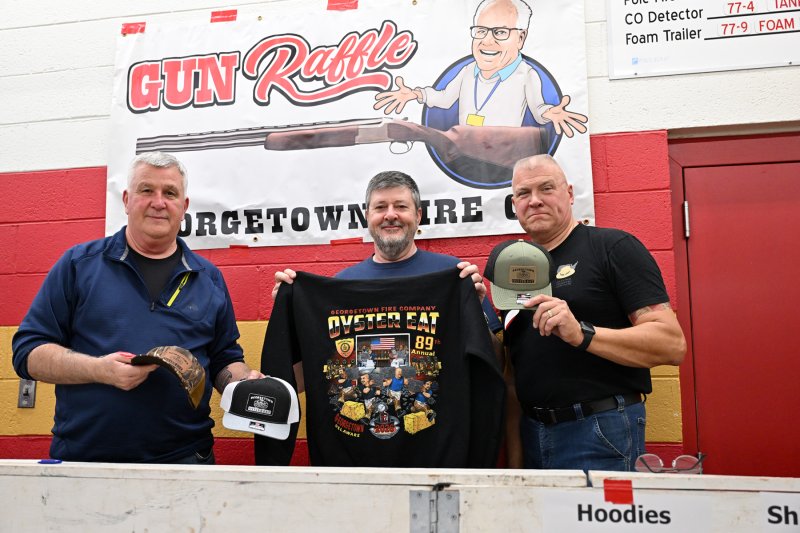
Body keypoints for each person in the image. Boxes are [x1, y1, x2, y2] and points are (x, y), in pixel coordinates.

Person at [11, 151, 261, 464]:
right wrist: (100, 370)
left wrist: (241, 382)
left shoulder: (208, 278)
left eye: (170, 193)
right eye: (147, 190)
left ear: (183, 207)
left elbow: (225, 359)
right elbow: (27, 353)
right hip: (86, 462)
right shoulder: (79, 265)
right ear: (127, 199)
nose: (159, 202)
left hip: (185, 462)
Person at [501, 154, 686, 471]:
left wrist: (582, 333)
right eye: (523, 194)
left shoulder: (613, 247)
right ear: (513, 205)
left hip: (600, 430)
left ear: (570, 194)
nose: (534, 201)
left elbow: (672, 344)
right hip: (533, 432)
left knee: (601, 523)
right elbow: (514, 375)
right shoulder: (515, 269)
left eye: (547, 188)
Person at [271, 170, 503, 389]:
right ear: (367, 216)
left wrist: (476, 313)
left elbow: (496, 361)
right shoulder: (342, 286)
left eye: (401, 206)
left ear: (418, 215)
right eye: (380, 207)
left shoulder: (455, 274)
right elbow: (302, 381)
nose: (390, 215)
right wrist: (290, 314)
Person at [373, 0, 587, 136]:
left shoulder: (526, 74)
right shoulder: (467, 71)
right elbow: (445, 98)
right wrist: (415, 94)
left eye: (500, 32)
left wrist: (551, 113)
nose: (487, 41)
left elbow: (538, 109)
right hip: (466, 154)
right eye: (481, 31)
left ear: (520, 38)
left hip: (504, 156)